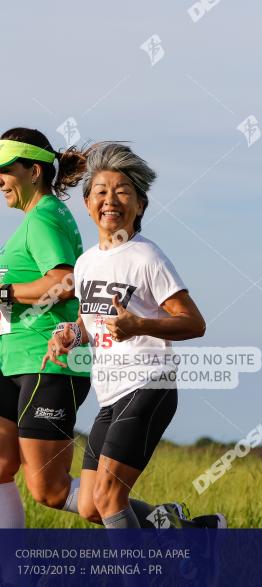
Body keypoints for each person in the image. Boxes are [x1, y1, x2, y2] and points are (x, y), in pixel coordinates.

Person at [42, 142, 224, 529]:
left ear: (140, 205)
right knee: (92, 505)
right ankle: (189, 533)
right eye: (101, 192)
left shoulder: (147, 257)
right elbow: (91, 323)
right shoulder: (87, 262)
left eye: (123, 191)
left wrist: (140, 325)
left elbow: (194, 322)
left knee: (110, 498)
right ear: (88, 202)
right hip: (110, 394)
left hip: (148, 386)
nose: (111, 200)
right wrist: (69, 333)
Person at [0, 128, 91, 527]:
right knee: (0, 466)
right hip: (13, 362)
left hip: (47, 362)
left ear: (34, 171)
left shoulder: (43, 217)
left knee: (49, 490)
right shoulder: (34, 218)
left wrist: (5, 291)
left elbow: (65, 281)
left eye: (4, 169)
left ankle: (179, 528)